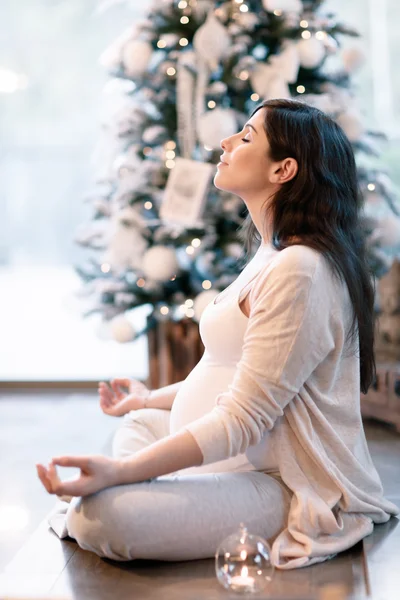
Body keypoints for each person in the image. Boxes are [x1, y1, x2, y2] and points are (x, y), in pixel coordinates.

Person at [36, 99, 398, 569]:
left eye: (246, 137)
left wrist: (122, 472)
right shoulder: (272, 253)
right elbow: (237, 375)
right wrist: (147, 401)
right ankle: (162, 487)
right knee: (139, 427)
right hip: (230, 458)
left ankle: (144, 491)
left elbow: (244, 416)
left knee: (101, 517)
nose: (226, 142)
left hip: (277, 478)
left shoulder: (300, 270)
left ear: (283, 169)